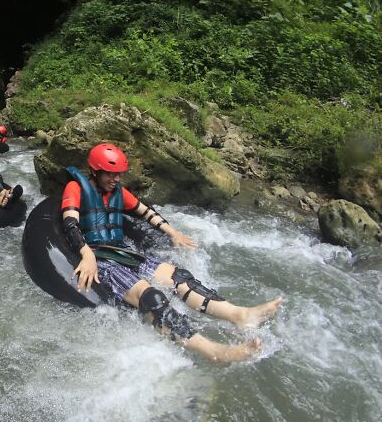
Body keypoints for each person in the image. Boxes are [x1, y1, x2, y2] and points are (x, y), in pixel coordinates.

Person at [61, 143, 284, 363]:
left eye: (118, 174)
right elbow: (70, 224)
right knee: (151, 296)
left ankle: (239, 315)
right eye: (110, 174)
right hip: (101, 259)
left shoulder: (120, 192)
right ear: (95, 171)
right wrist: (87, 254)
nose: (116, 179)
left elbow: (146, 212)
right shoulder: (76, 188)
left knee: (179, 277)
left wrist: (173, 232)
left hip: (122, 253)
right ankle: (214, 351)